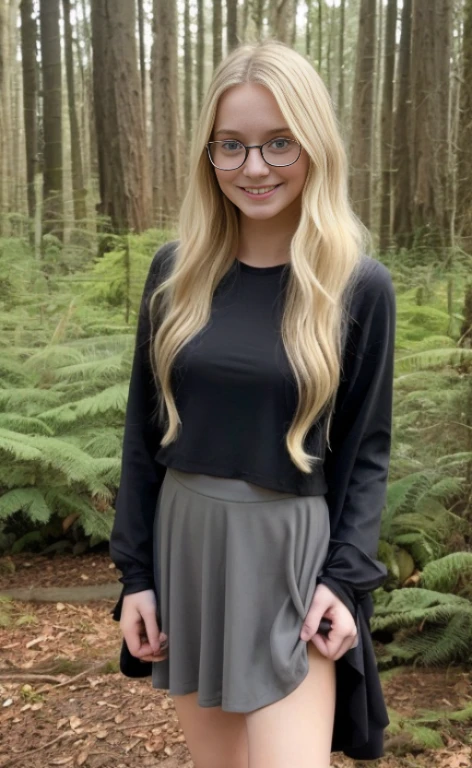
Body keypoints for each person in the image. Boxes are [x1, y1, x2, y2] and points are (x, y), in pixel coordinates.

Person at [109, 39, 396, 768]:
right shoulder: (175, 274)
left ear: (314, 146)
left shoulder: (356, 286)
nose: (254, 167)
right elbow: (143, 436)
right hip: (188, 550)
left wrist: (341, 580)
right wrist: (136, 577)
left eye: (278, 144)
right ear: (209, 153)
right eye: (230, 146)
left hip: (290, 559)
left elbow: (365, 453)